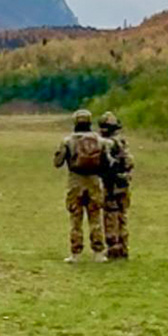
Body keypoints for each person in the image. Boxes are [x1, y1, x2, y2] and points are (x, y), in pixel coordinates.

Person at [53, 109, 111, 263]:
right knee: (95, 218)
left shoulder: (68, 141)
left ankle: (75, 253)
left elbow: (57, 163)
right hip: (94, 181)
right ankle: (98, 252)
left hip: (75, 182)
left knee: (75, 219)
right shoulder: (100, 141)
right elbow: (108, 163)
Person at [98, 111, 134, 260]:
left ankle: (113, 249)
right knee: (122, 217)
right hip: (123, 183)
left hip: (111, 184)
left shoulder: (108, 144)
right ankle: (123, 248)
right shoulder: (122, 142)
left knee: (110, 216)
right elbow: (130, 163)